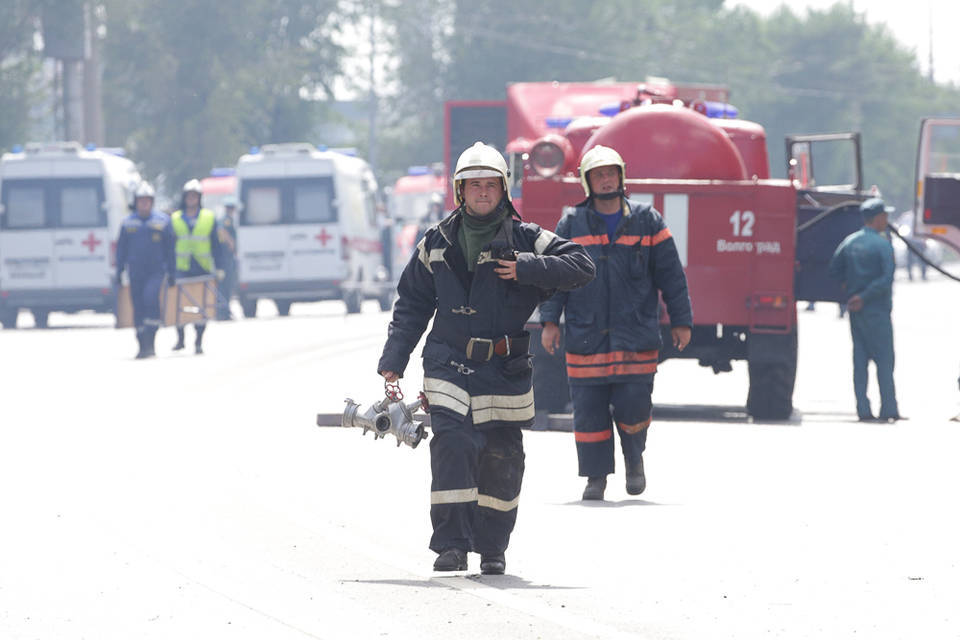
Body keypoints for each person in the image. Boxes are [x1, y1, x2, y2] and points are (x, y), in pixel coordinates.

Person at [377, 142, 595, 575]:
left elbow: (582, 265)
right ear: (460, 191)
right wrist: (393, 362)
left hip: (505, 366)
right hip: (448, 360)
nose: (481, 192)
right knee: (453, 443)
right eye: (473, 185)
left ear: (503, 189)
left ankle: (492, 547)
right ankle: (451, 545)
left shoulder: (527, 237)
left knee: (503, 454)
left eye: (489, 184)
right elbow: (412, 304)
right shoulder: (436, 241)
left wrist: (527, 267)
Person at [538, 145, 692, 501]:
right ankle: (595, 477)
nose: (606, 180)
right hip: (585, 334)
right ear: (587, 181)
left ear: (621, 177)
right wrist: (550, 321)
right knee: (588, 412)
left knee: (635, 404)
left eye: (611, 173)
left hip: (635, 335)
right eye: (598, 175)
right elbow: (555, 277)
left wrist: (681, 321)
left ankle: (634, 457)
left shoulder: (648, 220)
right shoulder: (570, 223)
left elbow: (671, 275)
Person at [828, 197, 902, 422]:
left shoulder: (850, 242)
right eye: (885, 216)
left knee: (859, 363)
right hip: (877, 311)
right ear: (878, 218)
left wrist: (851, 294)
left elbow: (834, 270)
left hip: (856, 312)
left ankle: (863, 409)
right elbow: (886, 278)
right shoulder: (882, 245)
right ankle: (888, 408)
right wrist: (865, 296)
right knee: (884, 361)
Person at [115, 181, 176, 359]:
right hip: (135, 273)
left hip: (156, 272)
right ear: (136, 201)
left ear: (152, 202)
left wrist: (172, 272)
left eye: (147, 201)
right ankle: (141, 344)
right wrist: (118, 271)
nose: (144, 204)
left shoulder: (163, 222)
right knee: (138, 306)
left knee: (151, 300)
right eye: (141, 201)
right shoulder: (128, 223)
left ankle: (151, 341)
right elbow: (121, 250)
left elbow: (170, 249)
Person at [171, 179, 223, 354]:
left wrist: (220, 267)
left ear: (199, 198)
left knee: (202, 306)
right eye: (189, 196)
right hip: (181, 267)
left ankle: (199, 341)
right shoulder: (175, 218)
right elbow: (168, 245)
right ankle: (180, 338)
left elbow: (216, 244)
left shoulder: (208, 217)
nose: (191, 199)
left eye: (195, 196)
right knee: (178, 304)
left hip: (202, 267)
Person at [216, 197, 239, 320]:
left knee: (227, 286)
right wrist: (232, 244)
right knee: (225, 285)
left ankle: (225, 310)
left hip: (227, 258)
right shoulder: (226, 221)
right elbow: (222, 231)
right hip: (226, 258)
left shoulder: (228, 219)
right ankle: (223, 311)